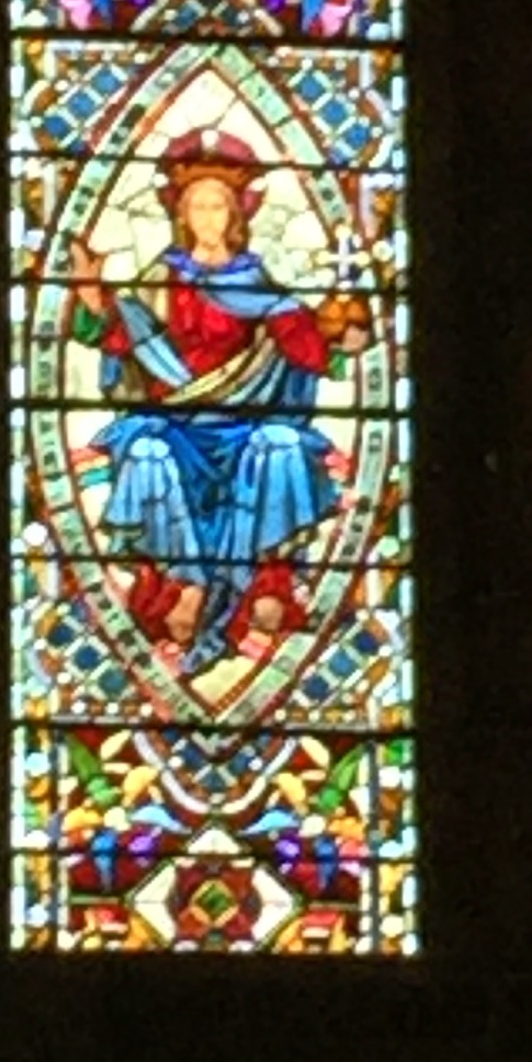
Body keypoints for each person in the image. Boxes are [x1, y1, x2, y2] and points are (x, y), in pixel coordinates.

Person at [69, 134, 371, 672]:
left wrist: (343, 337)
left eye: (219, 206)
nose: (208, 218)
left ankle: (262, 589)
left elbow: (311, 345)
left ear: (236, 215)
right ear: (181, 215)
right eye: (198, 206)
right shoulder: (158, 281)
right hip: (174, 426)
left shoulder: (260, 288)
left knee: (280, 445)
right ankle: (184, 584)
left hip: (245, 427)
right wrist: (93, 300)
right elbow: (116, 332)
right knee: (145, 451)